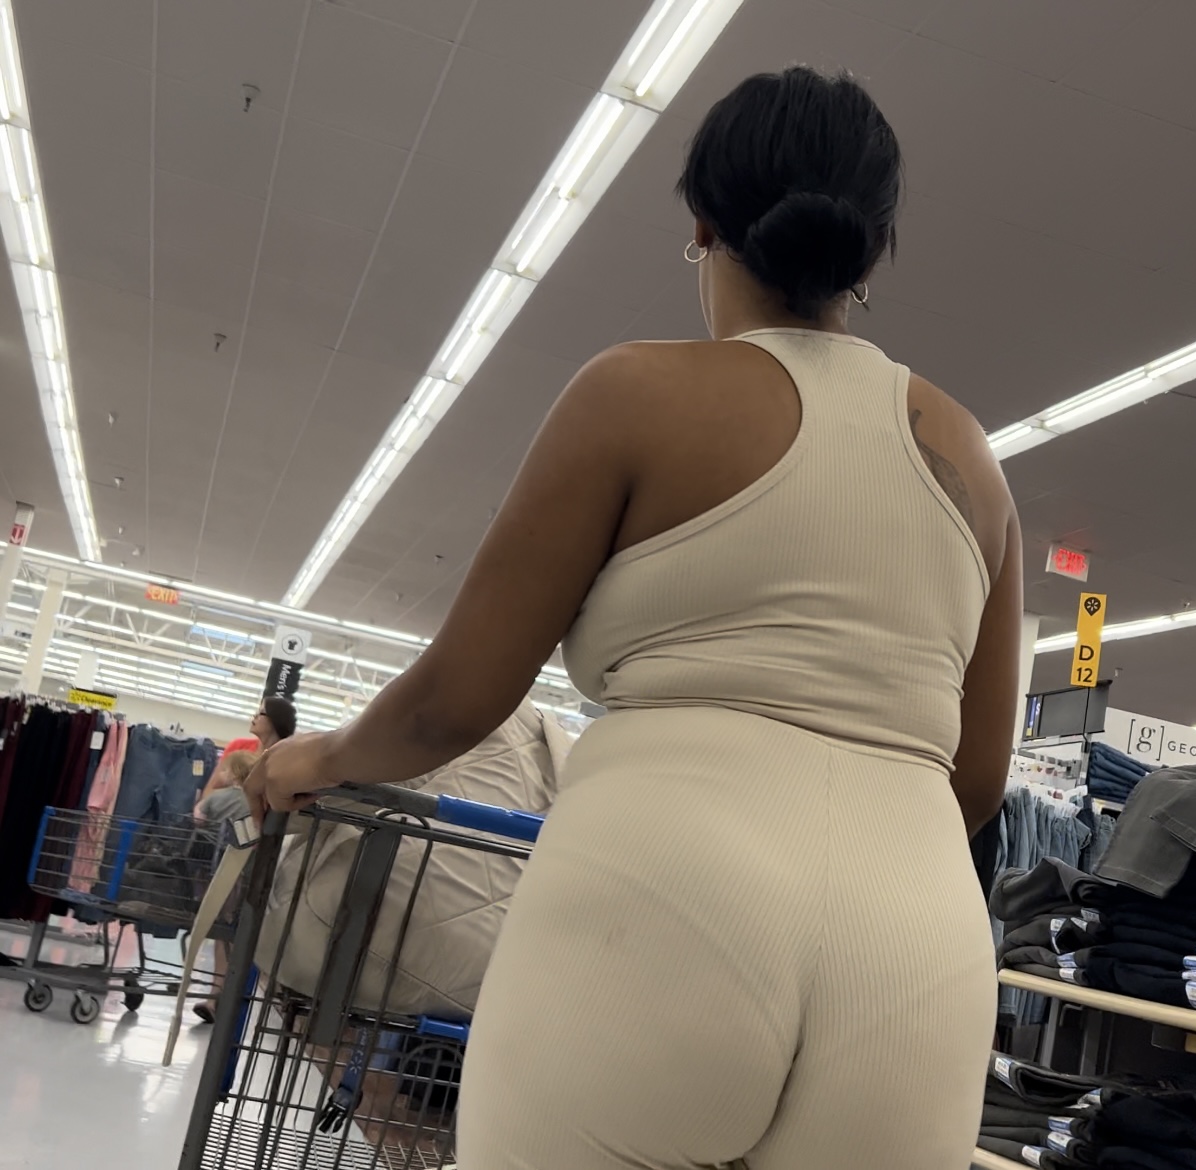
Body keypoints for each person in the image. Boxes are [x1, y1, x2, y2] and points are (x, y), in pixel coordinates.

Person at [247, 66, 1021, 1170]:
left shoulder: (636, 395)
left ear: (701, 224)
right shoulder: (973, 461)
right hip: (917, 946)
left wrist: (311, 760)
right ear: (876, 245)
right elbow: (977, 780)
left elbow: (453, 704)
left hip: (662, 896)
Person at [190, 749, 257, 1024]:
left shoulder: (218, 797)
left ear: (233, 774)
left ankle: (217, 997)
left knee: (222, 932)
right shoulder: (258, 803)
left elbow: (197, 818)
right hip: (245, 876)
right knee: (230, 934)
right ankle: (219, 997)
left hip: (214, 873)